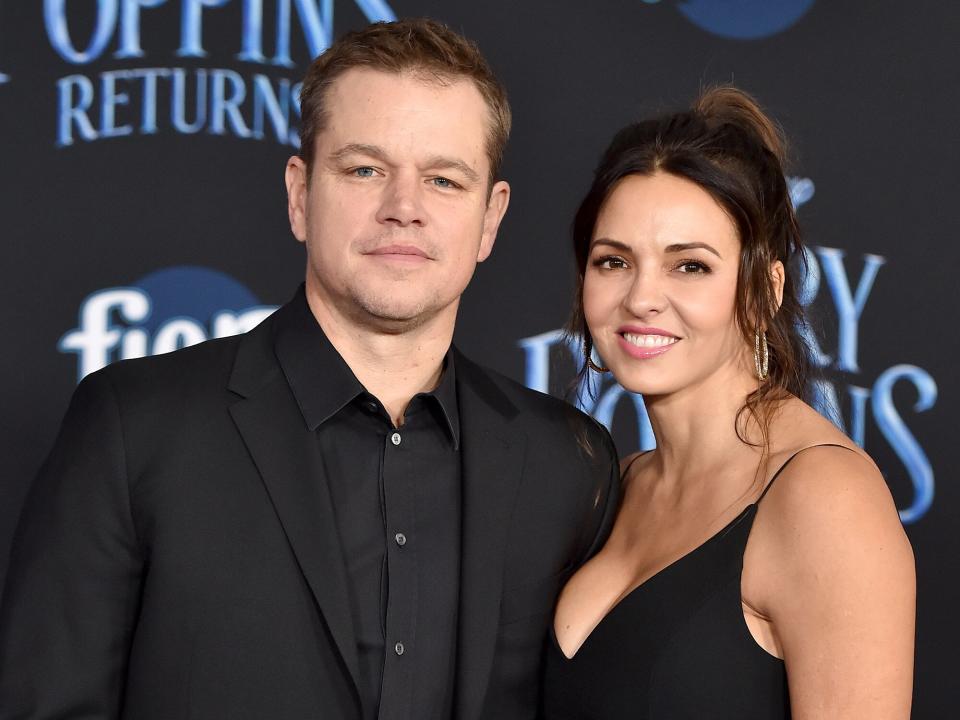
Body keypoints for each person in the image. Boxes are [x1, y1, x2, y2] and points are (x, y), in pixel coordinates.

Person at [0, 19, 619, 720]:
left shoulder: (569, 465)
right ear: (300, 194)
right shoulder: (133, 428)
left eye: (444, 180)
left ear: (489, 220)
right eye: (365, 170)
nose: (404, 209)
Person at [543, 87, 915, 719]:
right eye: (614, 262)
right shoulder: (618, 482)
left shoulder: (824, 497)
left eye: (689, 266)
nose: (642, 298)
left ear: (765, 288)